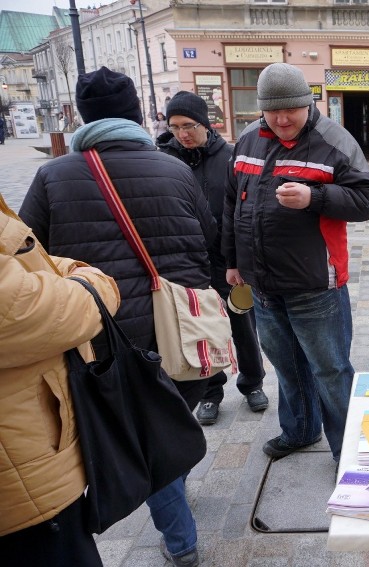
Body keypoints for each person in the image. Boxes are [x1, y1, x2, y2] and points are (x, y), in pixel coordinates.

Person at [19, 66, 217, 567]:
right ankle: (175, 493)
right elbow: (210, 238)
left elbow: (25, 258)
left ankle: (182, 543)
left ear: (85, 117)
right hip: (182, 332)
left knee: (146, 436)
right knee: (166, 417)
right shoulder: (175, 169)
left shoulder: (53, 175)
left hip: (105, 338)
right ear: (135, 114)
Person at [223, 62, 369, 462]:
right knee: (287, 367)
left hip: (316, 286)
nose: (280, 119)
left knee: (330, 372)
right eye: (272, 111)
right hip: (261, 283)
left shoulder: (334, 141)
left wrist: (316, 198)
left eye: (289, 110)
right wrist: (232, 260)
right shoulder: (246, 140)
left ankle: (346, 451)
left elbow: (367, 200)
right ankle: (299, 431)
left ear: (307, 103)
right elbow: (230, 205)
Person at [0, 193, 120, 566]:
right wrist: (91, 282)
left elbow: (30, 252)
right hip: (23, 476)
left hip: (32, 452)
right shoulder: (52, 179)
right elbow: (21, 310)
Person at [157, 90, 268, 425]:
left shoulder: (231, 157)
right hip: (186, 264)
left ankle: (252, 384)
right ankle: (210, 392)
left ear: (205, 123)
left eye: (188, 125)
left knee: (242, 324)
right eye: (174, 127)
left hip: (229, 261)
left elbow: (246, 210)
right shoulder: (164, 160)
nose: (182, 133)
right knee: (198, 330)